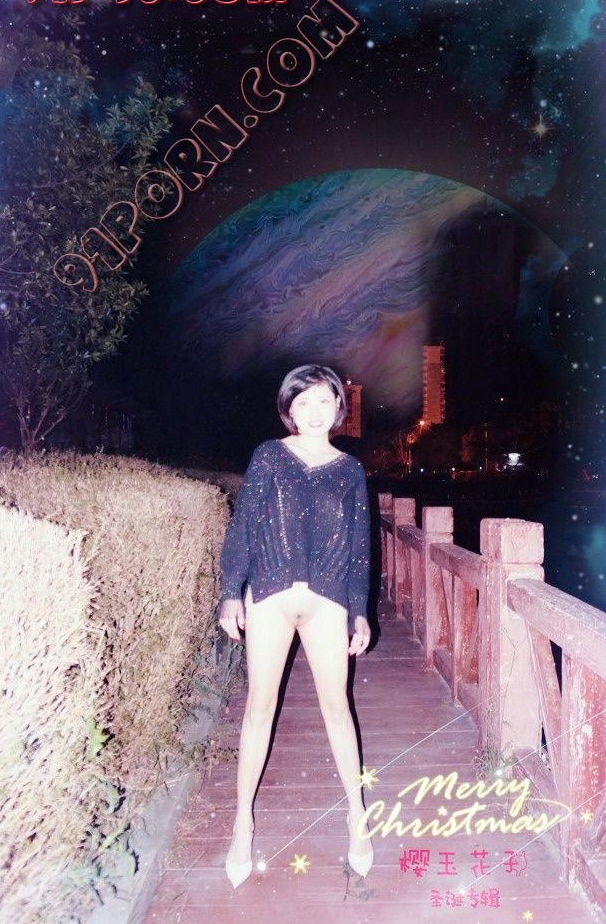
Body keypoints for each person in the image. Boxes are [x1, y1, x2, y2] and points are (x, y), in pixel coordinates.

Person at [217, 364, 375, 888]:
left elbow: (359, 547)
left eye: (324, 401)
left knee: (338, 708)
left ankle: (357, 814)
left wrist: (358, 610)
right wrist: (230, 592)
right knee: (259, 708)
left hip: (328, 602)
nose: (314, 411)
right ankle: (243, 823)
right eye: (303, 402)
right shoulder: (270, 456)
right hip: (269, 596)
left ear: (339, 408)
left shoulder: (350, 470)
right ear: (289, 409)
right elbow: (244, 526)